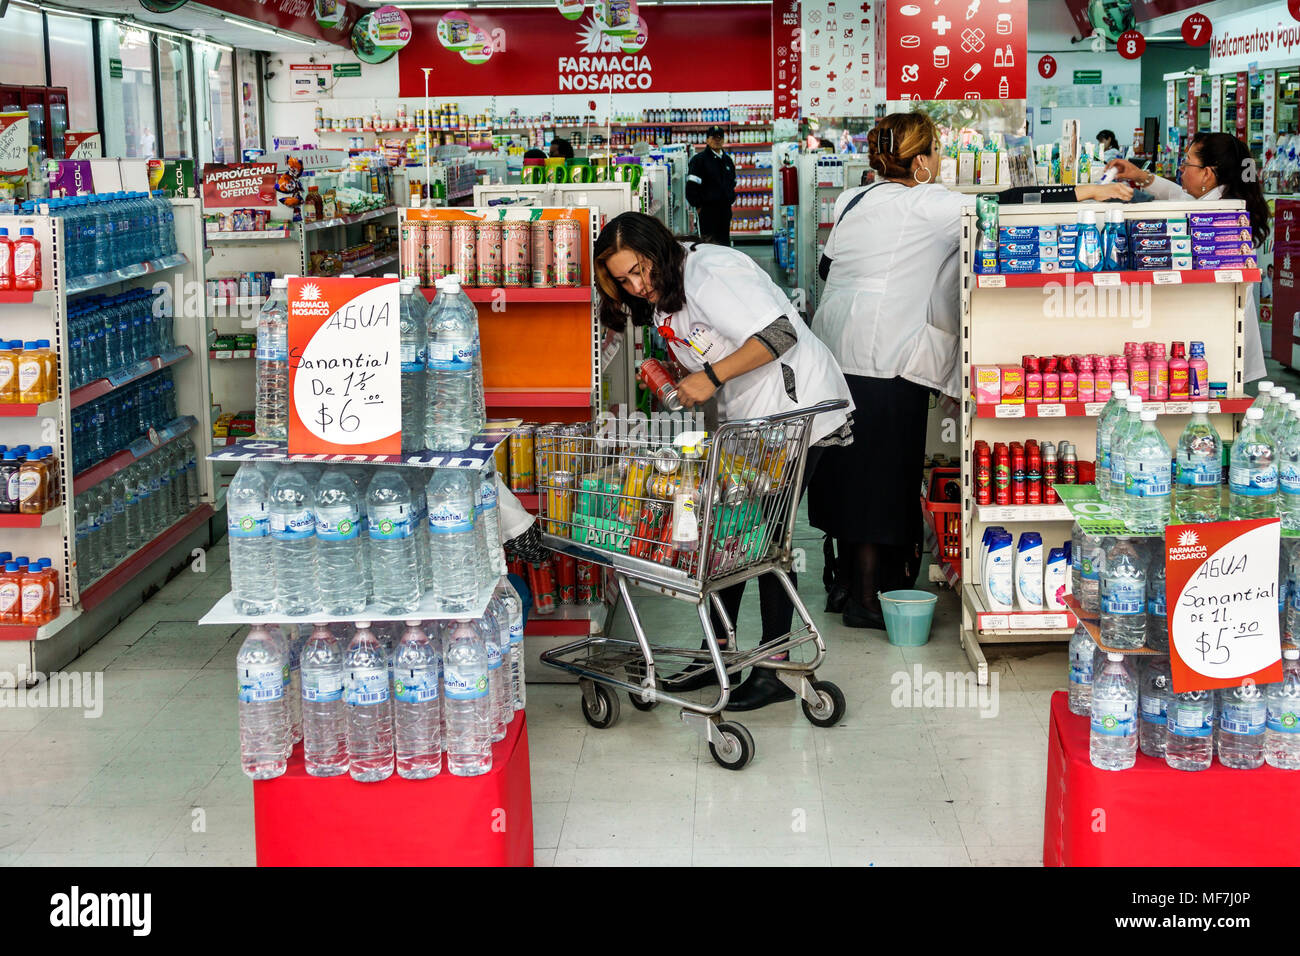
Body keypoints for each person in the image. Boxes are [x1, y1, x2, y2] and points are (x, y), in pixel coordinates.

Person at [810, 111, 1134, 627]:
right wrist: (1090, 194)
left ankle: (847, 584)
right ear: (919, 162)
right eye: (934, 152)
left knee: (847, 471)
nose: (939, 161)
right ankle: (867, 602)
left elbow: (826, 267)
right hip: (888, 354)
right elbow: (1008, 204)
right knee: (882, 477)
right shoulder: (929, 202)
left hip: (834, 348)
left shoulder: (857, 197)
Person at [593, 211, 853, 710]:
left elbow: (780, 335)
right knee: (728, 534)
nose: (637, 284)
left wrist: (708, 379)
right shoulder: (666, 298)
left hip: (795, 411)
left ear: (660, 250)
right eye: (624, 279)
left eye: (640, 270)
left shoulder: (710, 272)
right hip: (750, 424)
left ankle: (775, 668)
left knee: (767, 543)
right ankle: (718, 652)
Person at [1105, 131, 1270, 382]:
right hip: (1217, 340)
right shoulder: (1217, 199)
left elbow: (1180, 200)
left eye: (1188, 162)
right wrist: (1139, 175)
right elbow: (1176, 194)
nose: (1181, 168)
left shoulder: (1218, 215)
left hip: (1220, 343)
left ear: (1207, 173)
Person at [686, 125, 736, 245]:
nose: (717, 140)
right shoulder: (699, 160)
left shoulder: (728, 160)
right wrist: (698, 206)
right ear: (707, 140)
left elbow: (732, 183)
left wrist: (730, 198)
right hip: (707, 212)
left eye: (720, 137)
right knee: (709, 244)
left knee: (724, 244)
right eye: (714, 137)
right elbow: (691, 187)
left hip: (724, 210)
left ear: (724, 140)